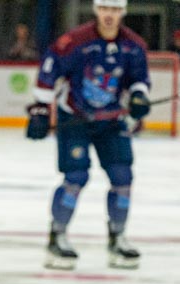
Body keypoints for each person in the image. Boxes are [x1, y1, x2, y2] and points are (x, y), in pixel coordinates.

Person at [25, 0, 150, 270]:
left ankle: (118, 237)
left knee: (122, 177)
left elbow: (139, 78)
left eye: (114, 10)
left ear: (122, 12)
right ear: (96, 10)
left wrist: (139, 96)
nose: (109, 15)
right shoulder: (75, 41)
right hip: (75, 119)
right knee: (76, 176)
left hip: (111, 121)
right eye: (104, 8)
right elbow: (50, 68)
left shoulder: (133, 45)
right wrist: (40, 109)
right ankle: (57, 236)